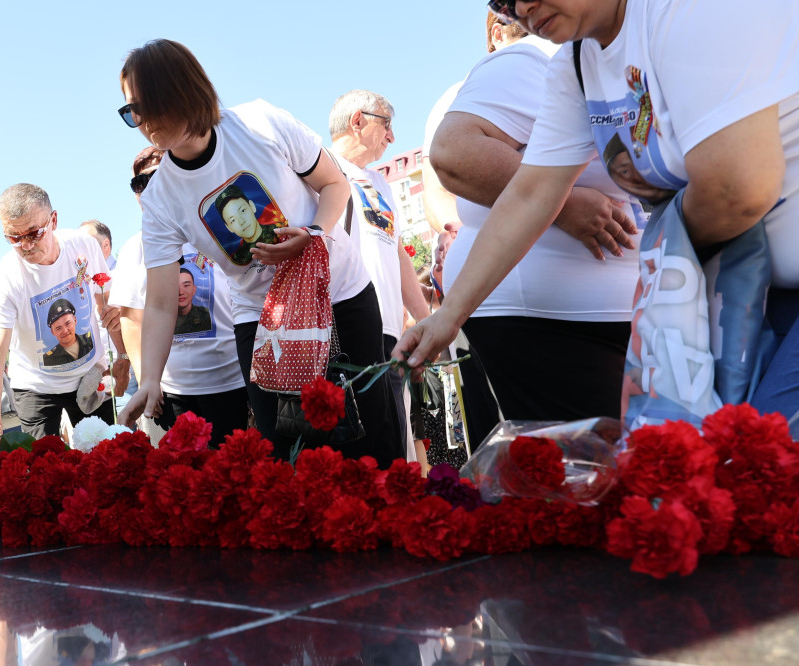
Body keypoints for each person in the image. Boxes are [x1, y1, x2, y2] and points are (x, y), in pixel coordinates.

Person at [402, 0, 799, 435]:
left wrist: (661, 270)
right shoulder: (576, 63)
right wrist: (447, 316)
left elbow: (737, 191)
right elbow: (531, 194)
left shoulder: (685, 10)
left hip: (760, 289)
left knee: (760, 454)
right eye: (503, 1)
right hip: (759, 294)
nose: (521, 7)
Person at [115, 39, 398, 461]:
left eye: (147, 104)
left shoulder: (260, 123)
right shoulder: (160, 199)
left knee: (370, 437)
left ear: (183, 89)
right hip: (263, 320)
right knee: (286, 453)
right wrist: (151, 379)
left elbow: (335, 184)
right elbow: (158, 302)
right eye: (131, 111)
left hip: (338, 294)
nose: (142, 121)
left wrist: (314, 234)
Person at [429, 21, 644, 442]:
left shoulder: (612, 57)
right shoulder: (530, 58)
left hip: (622, 314)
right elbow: (455, 154)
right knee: (591, 469)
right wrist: (564, 205)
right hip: (548, 322)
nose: (525, 12)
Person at [0, 184, 130, 445]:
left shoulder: (84, 246)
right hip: (36, 388)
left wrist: (123, 358)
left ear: (53, 220)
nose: (26, 245)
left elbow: (108, 307)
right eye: (14, 238)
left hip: (90, 376)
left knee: (106, 455)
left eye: (34, 233)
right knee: (45, 464)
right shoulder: (6, 277)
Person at [111, 146, 250, 445]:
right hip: (171, 394)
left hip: (231, 384)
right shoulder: (135, 247)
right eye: (140, 183)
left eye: (158, 176)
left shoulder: (221, 230)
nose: (149, 187)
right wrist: (147, 380)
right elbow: (132, 320)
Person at [328, 89, 434, 460]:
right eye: (386, 124)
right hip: (346, 333)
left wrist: (426, 320)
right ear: (357, 121)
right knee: (363, 455)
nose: (392, 136)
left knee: (397, 450)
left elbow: (399, 254)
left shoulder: (381, 183)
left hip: (390, 336)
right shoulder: (321, 170)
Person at [43, 298, 96, 366]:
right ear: (53, 332)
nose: (65, 331)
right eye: (58, 328)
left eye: (67, 323)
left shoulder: (91, 340)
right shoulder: (48, 360)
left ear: (75, 320)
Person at [174, 268, 212, 334]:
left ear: (194, 290)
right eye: (175, 286)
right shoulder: (160, 318)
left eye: (186, 286)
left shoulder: (207, 315)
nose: (180, 292)